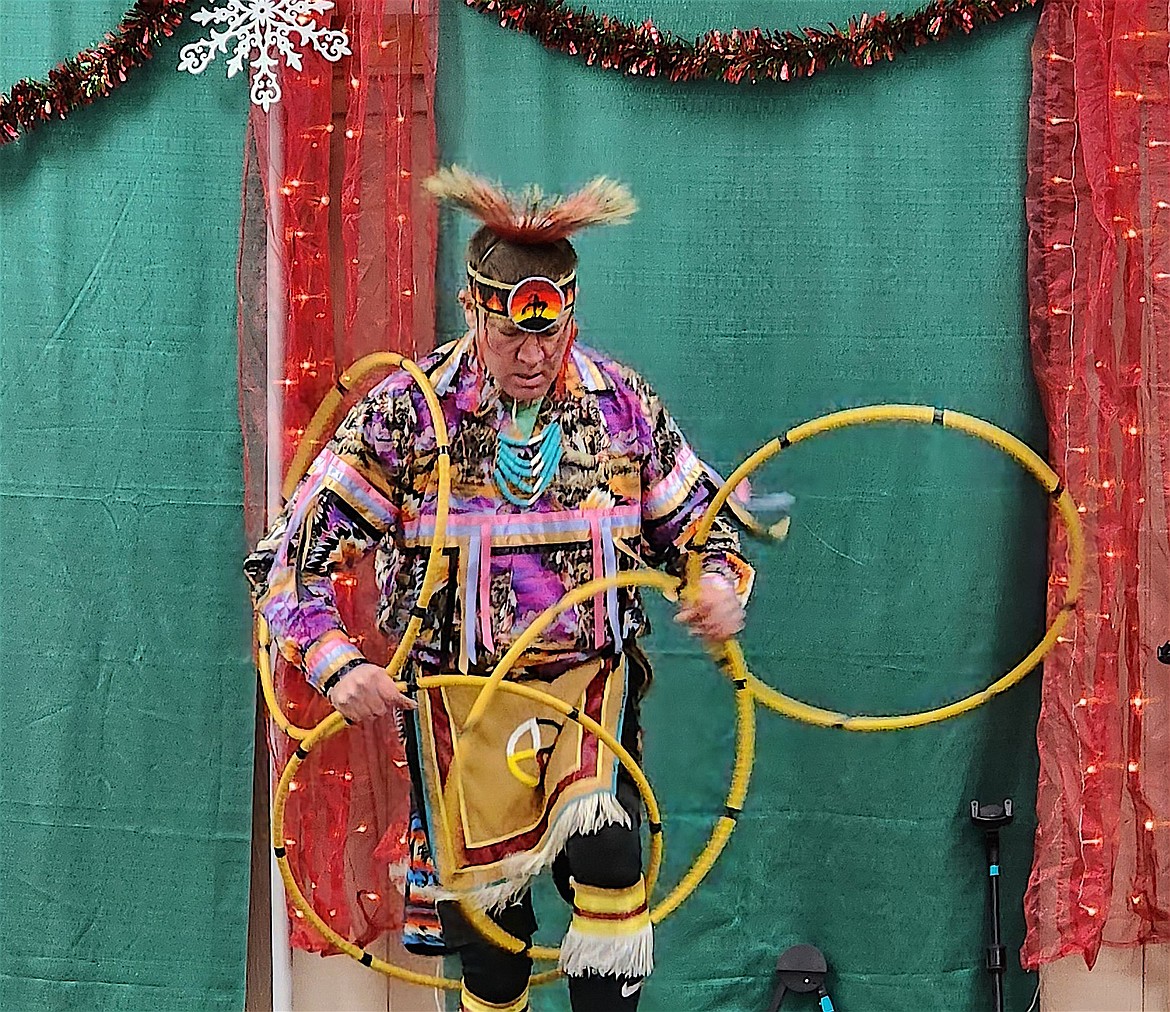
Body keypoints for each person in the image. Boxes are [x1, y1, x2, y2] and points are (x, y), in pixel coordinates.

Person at [245, 167, 754, 1012]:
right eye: (511, 334)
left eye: (547, 336)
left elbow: (707, 526)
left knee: (607, 853)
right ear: (472, 309)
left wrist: (714, 582)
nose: (531, 355)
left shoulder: (620, 405)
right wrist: (337, 665)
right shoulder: (411, 415)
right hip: (460, 704)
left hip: (587, 687)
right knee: (493, 942)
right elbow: (285, 560)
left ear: (569, 317)